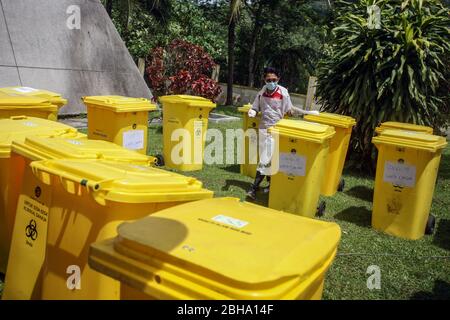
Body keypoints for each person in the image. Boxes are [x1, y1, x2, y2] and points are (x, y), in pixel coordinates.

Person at [246, 66, 319, 200]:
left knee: (266, 159)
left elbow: (289, 110)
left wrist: (292, 112)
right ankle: (270, 185)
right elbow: (255, 107)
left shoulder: (283, 93)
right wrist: (253, 111)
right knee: (269, 158)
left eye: (274, 79)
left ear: (278, 79)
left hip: (277, 129)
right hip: (263, 129)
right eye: (268, 79)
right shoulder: (261, 92)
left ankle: (253, 189)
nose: (271, 82)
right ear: (264, 79)